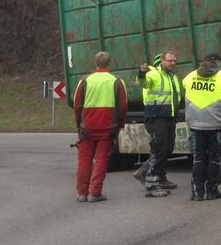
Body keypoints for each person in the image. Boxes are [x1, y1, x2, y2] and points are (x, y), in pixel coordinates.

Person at [181, 53, 221, 201]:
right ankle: (211, 191)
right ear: (217, 62)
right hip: (216, 124)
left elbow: (185, 89)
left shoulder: (190, 77)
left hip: (196, 124)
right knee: (215, 157)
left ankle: (197, 193)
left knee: (198, 158)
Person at [73, 51, 128, 203]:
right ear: (109, 64)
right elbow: (123, 106)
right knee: (102, 159)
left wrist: (79, 125)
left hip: (87, 127)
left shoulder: (85, 81)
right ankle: (95, 193)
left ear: (95, 63)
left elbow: (77, 106)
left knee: (84, 160)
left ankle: (82, 193)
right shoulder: (116, 81)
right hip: (108, 126)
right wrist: (121, 124)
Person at [133, 51, 182, 197]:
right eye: (169, 60)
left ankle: (158, 177)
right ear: (162, 61)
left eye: (174, 60)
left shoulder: (173, 77)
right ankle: (151, 185)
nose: (173, 63)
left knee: (167, 149)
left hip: (169, 117)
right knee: (159, 150)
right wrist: (141, 73)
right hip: (156, 117)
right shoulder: (154, 74)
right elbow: (141, 83)